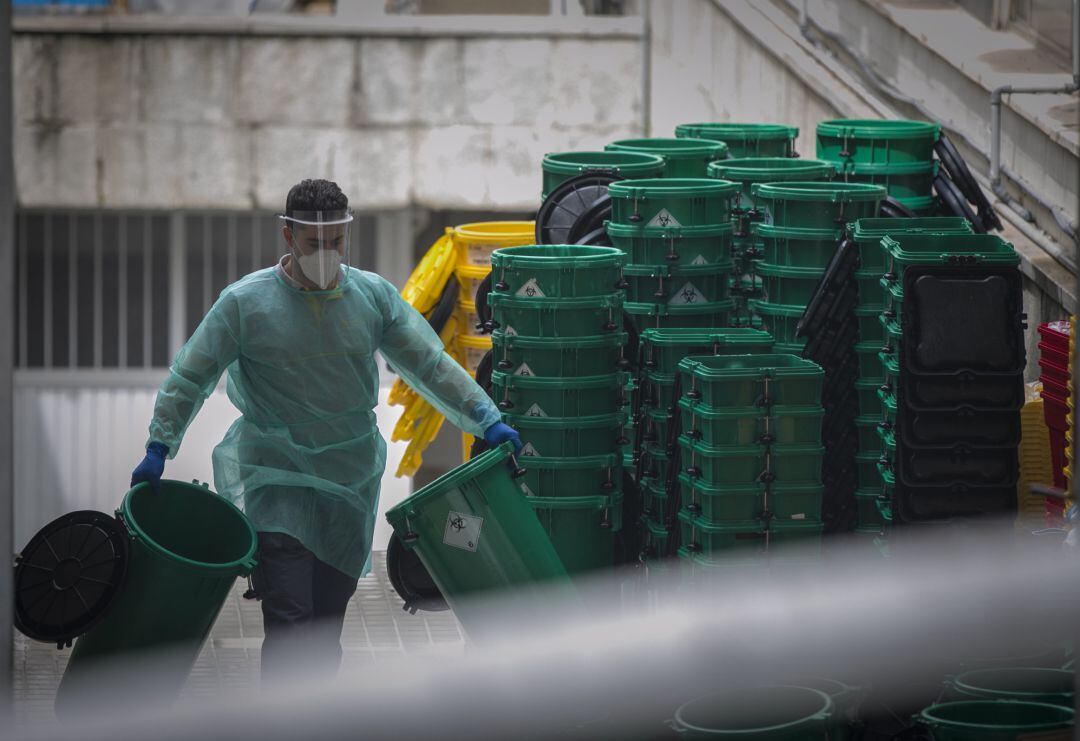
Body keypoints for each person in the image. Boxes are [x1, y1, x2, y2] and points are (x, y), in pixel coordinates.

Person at [131, 178, 520, 682]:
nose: (327, 254)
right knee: (292, 620)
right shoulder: (245, 304)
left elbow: (429, 363)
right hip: (277, 480)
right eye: (315, 244)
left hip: (348, 484)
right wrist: (160, 443)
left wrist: (485, 416)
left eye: (337, 242)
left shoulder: (371, 298)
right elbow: (191, 375)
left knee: (325, 627)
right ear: (287, 236)